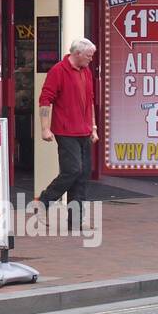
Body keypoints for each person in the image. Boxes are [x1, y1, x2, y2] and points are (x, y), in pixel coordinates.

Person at [37, 36, 98, 209]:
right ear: (77, 53)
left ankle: (76, 219)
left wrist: (93, 127)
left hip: (84, 131)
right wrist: (45, 128)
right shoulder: (58, 71)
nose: (91, 59)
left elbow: (90, 101)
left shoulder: (86, 71)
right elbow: (45, 100)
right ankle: (44, 201)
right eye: (88, 55)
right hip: (66, 131)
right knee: (72, 170)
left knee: (82, 175)